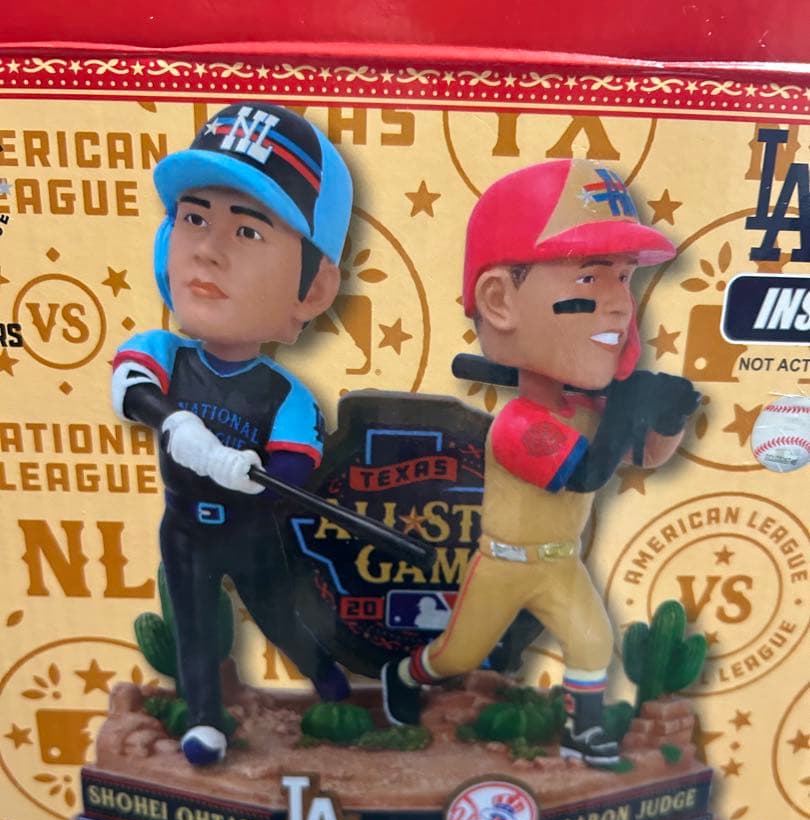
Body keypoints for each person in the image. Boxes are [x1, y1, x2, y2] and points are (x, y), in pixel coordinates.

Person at [381, 158, 699, 767]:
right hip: (504, 564)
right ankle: (404, 674)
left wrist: (667, 415)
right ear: (499, 300)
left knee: (592, 640)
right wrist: (627, 405)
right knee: (456, 656)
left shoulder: (590, 407)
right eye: (590, 278)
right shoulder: (518, 424)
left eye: (623, 278)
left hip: (559, 562)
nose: (619, 303)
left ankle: (584, 733)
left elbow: (646, 459)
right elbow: (585, 475)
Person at [111, 103, 353, 765]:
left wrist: (258, 478)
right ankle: (204, 721)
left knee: (281, 616)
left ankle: (328, 679)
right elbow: (129, 386)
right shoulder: (166, 352)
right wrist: (175, 420)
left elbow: (297, 465)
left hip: (253, 533)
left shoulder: (285, 394)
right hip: (185, 526)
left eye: (247, 231)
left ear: (313, 288)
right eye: (194, 219)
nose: (208, 250)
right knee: (193, 625)